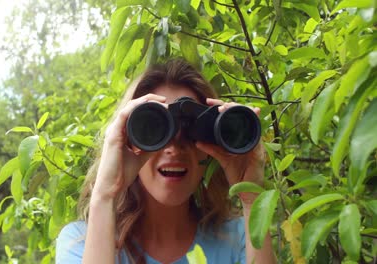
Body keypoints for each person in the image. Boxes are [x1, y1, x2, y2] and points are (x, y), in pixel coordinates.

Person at [56, 59, 276, 264]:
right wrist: (105, 194)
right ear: (128, 139)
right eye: (155, 131)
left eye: (191, 131)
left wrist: (252, 196)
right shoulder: (80, 242)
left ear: (211, 144)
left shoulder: (238, 237)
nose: (174, 148)